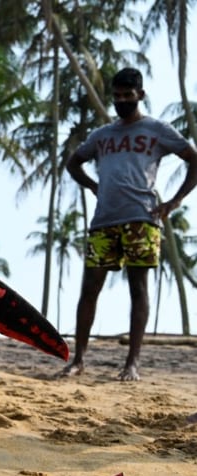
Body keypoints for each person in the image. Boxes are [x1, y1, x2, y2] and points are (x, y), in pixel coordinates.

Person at [63, 67, 197, 381]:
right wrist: (93, 186)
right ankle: (79, 359)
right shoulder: (102, 135)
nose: (122, 100)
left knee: (138, 289)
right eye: (118, 96)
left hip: (142, 218)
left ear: (140, 95)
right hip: (104, 220)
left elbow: (193, 158)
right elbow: (74, 162)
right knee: (90, 287)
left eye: (128, 95)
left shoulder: (156, 129)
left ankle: (131, 364)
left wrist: (174, 202)